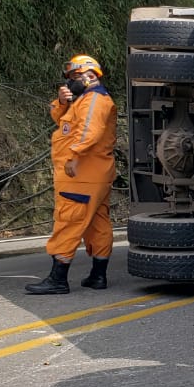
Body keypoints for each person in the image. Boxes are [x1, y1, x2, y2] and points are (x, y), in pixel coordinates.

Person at [25, 55, 118, 295]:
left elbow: (90, 132)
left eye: (75, 77)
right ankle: (98, 276)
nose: (71, 82)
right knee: (98, 224)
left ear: (91, 75)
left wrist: (74, 156)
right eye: (70, 78)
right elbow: (63, 123)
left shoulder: (94, 100)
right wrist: (61, 101)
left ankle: (58, 279)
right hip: (94, 174)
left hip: (82, 174)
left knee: (68, 221)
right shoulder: (84, 100)